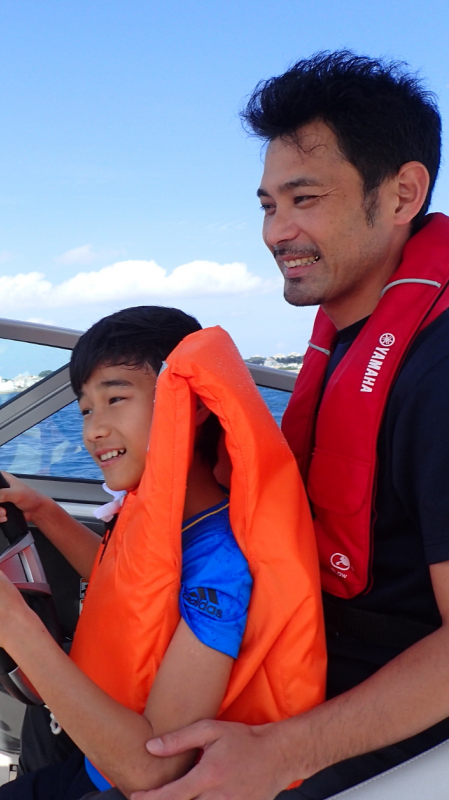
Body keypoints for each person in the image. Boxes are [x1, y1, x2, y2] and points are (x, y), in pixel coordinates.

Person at [135, 52, 449, 800]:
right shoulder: (345, 338)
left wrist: (280, 752)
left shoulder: (438, 374)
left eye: (304, 199)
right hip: (301, 665)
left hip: (374, 729)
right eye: (268, 205)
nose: (278, 232)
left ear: (403, 192)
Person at [0, 306, 325, 800]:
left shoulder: (221, 568)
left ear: (193, 404)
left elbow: (151, 767)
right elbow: (130, 584)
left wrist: (14, 626)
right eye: (85, 409)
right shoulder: (163, 511)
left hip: (125, 776)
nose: (94, 430)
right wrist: (45, 512)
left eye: (115, 398)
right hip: (97, 749)